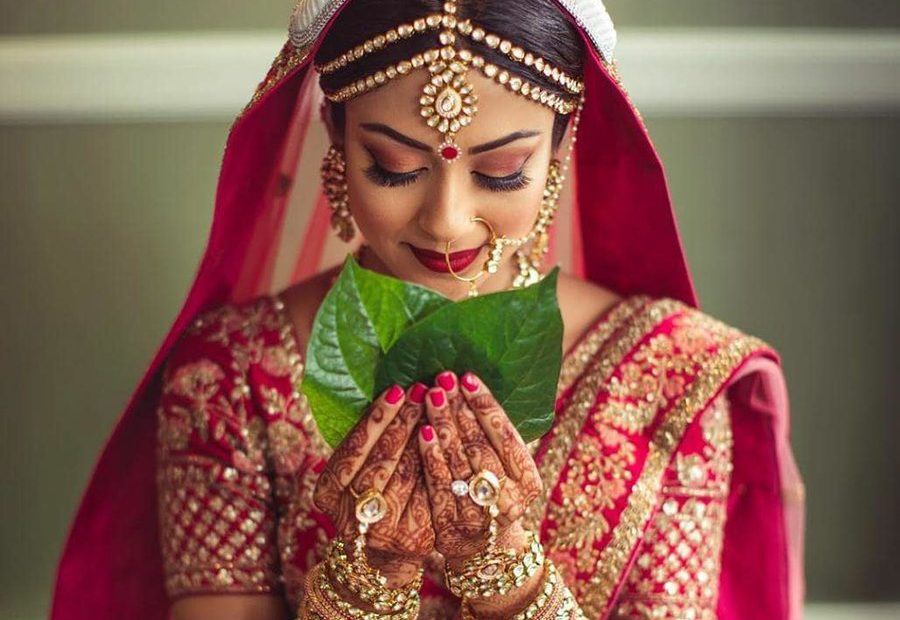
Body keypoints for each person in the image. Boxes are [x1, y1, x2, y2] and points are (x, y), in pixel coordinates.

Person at [49, 1, 805, 619]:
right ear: (336, 141)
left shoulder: (670, 377)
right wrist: (360, 588)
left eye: (503, 171)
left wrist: (514, 584)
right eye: (395, 166)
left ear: (561, 149)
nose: (446, 219)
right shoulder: (232, 377)